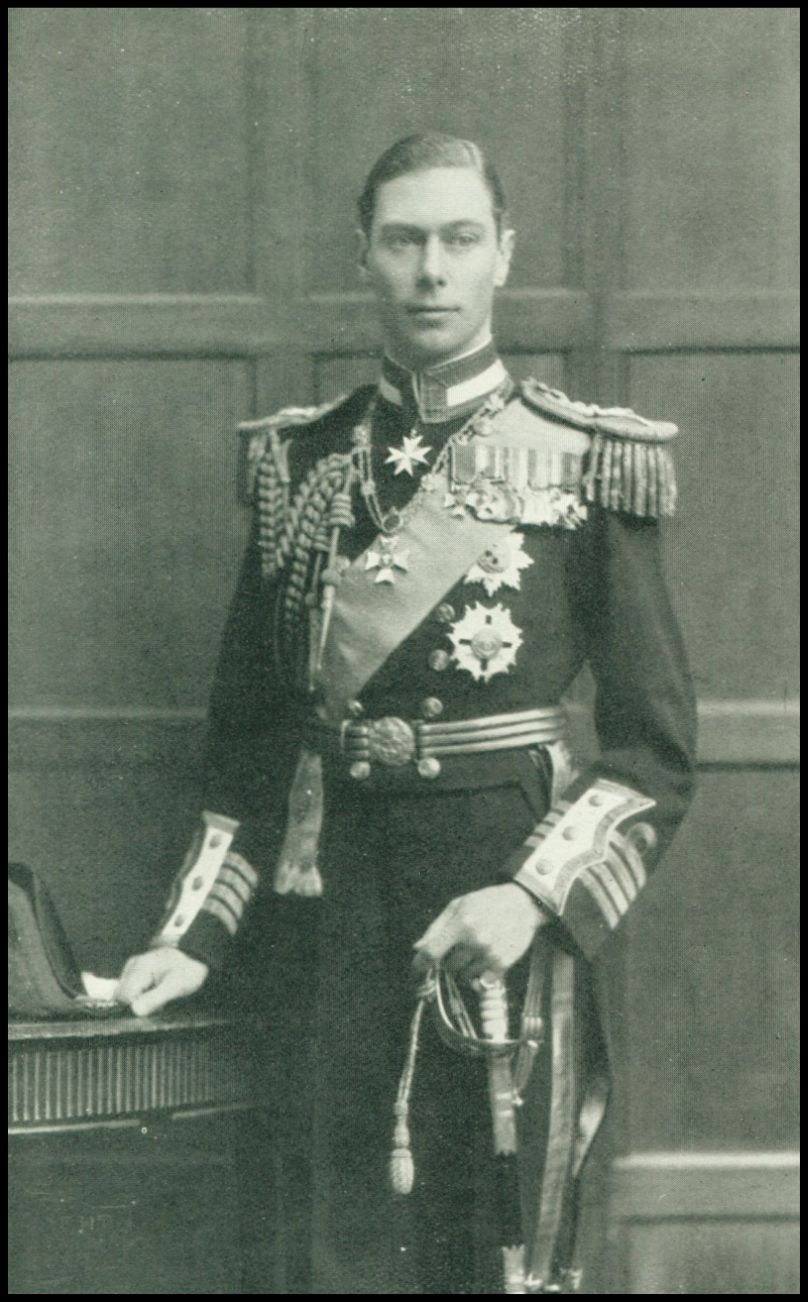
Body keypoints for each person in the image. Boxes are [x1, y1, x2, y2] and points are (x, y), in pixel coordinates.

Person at [117, 133, 697, 1295]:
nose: (432, 270)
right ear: (365, 256)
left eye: (459, 239)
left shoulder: (583, 463)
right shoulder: (302, 464)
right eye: (404, 241)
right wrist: (191, 937)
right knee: (333, 1249)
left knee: (490, 1251)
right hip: (323, 925)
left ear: (502, 254)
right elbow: (249, 743)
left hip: (496, 911)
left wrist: (530, 898)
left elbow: (652, 753)